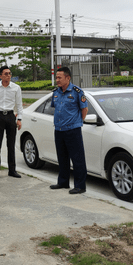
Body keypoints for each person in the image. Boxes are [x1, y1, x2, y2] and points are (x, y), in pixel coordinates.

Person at [49, 66, 89, 195]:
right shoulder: (56, 92)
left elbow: (84, 109)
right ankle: (63, 182)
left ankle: (80, 186)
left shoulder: (77, 92)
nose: (57, 80)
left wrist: (78, 122)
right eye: (56, 77)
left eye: (59, 77)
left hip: (73, 130)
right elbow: (56, 109)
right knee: (62, 158)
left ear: (68, 78)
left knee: (77, 159)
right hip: (59, 130)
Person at [0, 65, 23, 179]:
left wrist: (19, 119)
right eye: (6, 74)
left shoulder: (16, 88)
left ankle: (12, 170)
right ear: (0, 76)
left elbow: (19, 104)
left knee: (11, 145)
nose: (8, 75)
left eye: (10, 73)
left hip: (10, 116)